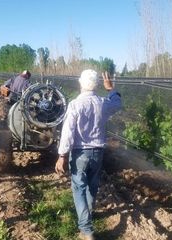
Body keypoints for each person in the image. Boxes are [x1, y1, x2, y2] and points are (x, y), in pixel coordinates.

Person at [55, 69, 122, 240]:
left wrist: (62, 156)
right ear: (97, 85)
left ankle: (86, 229)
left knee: (78, 188)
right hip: (98, 152)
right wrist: (111, 89)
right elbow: (117, 104)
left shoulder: (75, 105)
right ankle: (88, 216)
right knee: (92, 185)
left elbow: (68, 133)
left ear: (80, 84)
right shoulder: (102, 103)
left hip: (79, 153)